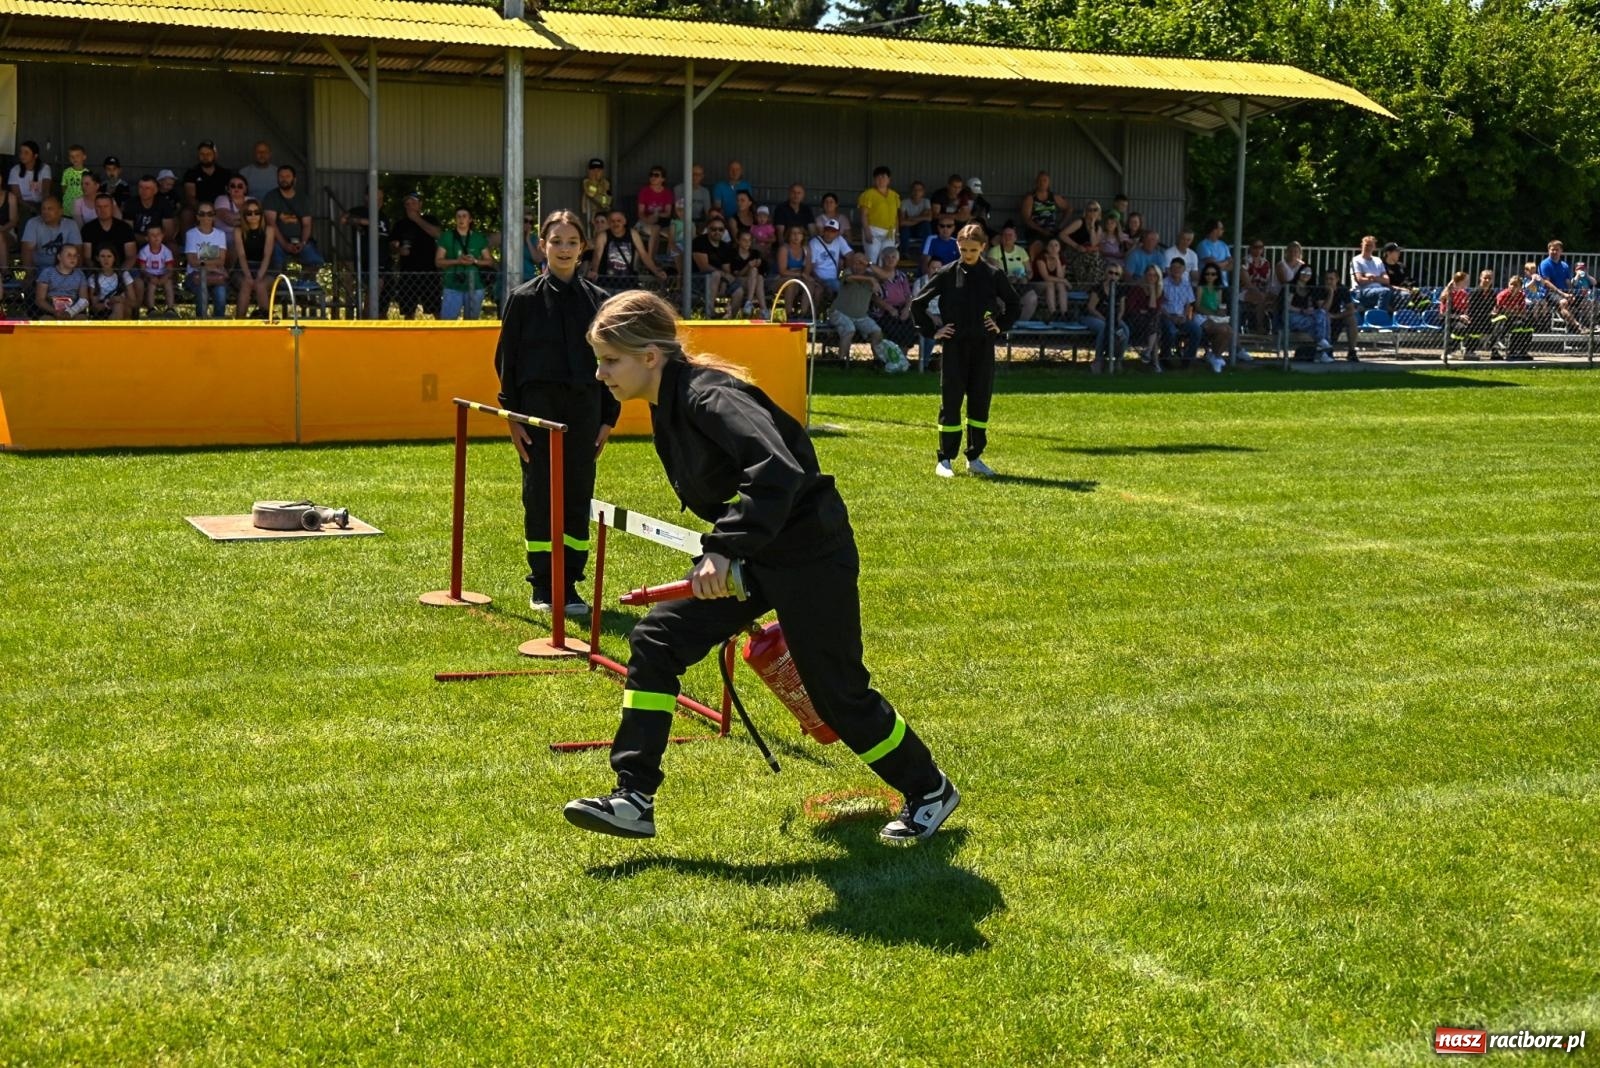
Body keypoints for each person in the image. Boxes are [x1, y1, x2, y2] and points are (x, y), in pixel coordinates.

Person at [568, 289, 960, 844]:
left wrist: (725, 548)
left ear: (650, 356)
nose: (600, 372)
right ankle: (633, 798)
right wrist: (730, 550)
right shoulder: (667, 400)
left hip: (809, 553)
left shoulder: (708, 397)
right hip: (755, 553)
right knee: (657, 641)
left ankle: (929, 789)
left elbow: (776, 471)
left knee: (836, 692)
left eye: (610, 360)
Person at [495, 209, 617, 614]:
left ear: (583, 248)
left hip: (584, 411)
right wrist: (512, 416)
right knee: (541, 494)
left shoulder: (599, 302)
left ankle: (570, 584)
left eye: (571, 242)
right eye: (556, 241)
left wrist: (608, 417)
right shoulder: (523, 299)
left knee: (577, 494)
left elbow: (613, 360)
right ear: (542, 245)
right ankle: (543, 584)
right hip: (537, 412)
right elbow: (506, 363)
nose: (563, 249)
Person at [911, 222, 1022, 479]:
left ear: (983, 247)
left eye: (972, 250)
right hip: (954, 347)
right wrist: (933, 330)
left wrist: (1000, 324)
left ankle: (974, 457)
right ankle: (945, 459)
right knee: (951, 401)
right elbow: (918, 304)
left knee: (980, 401)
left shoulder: (994, 275)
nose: (967, 255)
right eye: (963, 249)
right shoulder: (947, 274)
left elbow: (1014, 303)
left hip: (983, 347)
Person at [827, 250, 888, 362]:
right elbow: (849, 278)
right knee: (849, 329)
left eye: (860, 262)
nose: (857, 265)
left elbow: (886, 275)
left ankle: (878, 361)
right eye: (855, 262)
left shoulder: (871, 275)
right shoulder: (846, 272)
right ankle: (842, 362)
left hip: (861, 317)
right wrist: (871, 280)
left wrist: (869, 264)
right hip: (838, 313)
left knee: (877, 331)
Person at [435, 207, 492, 320]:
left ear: (470, 219)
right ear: (455, 219)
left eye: (464, 216)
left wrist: (474, 261)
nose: (461, 219)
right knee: (447, 324)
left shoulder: (478, 238)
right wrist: (457, 261)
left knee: (471, 326)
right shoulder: (447, 236)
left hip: (475, 286)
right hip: (452, 286)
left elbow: (489, 261)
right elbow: (438, 261)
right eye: (458, 216)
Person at [391, 193, 442, 318]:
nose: (410, 206)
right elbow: (391, 246)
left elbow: (438, 235)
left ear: (420, 205)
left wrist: (417, 219)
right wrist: (398, 250)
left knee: (437, 310)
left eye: (413, 203)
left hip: (429, 272)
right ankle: (409, 337)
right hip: (407, 273)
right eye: (407, 204)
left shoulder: (430, 220)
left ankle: (444, 335)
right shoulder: (400, 225)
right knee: (408, 312)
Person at [262, 164, 322, 272]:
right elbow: (271, 223)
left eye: (287, 176)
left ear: (294, 179)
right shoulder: (270, 197)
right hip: (278, 241)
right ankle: (278, 284)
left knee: (319, 264)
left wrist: (302, 243)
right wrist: (285, 244)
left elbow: (307, 224)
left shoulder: (303, 198)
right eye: (281, 176)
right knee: (277, 263)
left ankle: (313, 287)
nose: (284, 179)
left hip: (300, 241)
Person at [983, 222, 1039, 322]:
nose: (1007, 237)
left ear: (1015, 238)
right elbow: (994, 273)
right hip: (1002, 287)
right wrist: (1008, 277)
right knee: (1002, 302)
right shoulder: (994, 251)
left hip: (1020, 285)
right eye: (1005, 235)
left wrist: (1025, 276)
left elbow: (1030, 271)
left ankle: (1021, 324)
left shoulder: (1021, 251)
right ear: (1001, 237)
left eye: (1010, 235)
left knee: (1032, 298)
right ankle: (1006, 324)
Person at [184, 202, 231, 318]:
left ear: (214, 216)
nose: (206, 217)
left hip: (215, 275)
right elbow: (192, 261)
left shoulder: (220, 234)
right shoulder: (191, 234)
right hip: (196, 275)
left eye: (209, 214)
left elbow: (221, 261)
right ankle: (201, 324)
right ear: (197, 216)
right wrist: (213, 265)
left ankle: (219, 326)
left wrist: (202, 260)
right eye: (202, 214)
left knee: (221, 293)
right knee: (201, 291)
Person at [232, 197, 276, 319]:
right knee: (246, 284)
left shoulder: (269, 230)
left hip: (265, 267)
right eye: (249, 213)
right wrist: (248, 276)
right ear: (244, 215)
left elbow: (267, 255)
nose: (253, 215)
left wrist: (259, 276)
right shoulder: (238, 231)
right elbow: (241, 255)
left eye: (257, 212)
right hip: (243, 267)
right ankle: (240, 321)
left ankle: (266, 318)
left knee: (260, 285)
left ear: (261, 214)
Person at [1158, 258, 1205, 367]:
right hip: (1166, 316)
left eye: (1179, 267)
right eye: (1174, 267)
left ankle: (1187, 359)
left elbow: (1188, 304)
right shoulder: (1163, 283)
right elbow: (1159, 304)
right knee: (1171, 331)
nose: (1176, 270)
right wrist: (1169, 316)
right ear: (1169, 269)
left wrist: (1184, 316)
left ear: (1184, 269)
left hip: (1181, 317)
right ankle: (1165, 357)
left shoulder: (1186, 284)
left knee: (1196, 329)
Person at [1083, 263, 1130, 371]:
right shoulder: (1098, 288)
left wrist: (1117, 319)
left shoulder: (1121, 290)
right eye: (1110, 272)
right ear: (1105, 274)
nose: (1113, 276)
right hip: (1093, 317)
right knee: (1103, 327)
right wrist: (1105, 319)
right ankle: (1098, 360)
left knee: (1125, 330)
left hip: (1113, 317)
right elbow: (1091, 308)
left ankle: (1118, 360)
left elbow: (1122, 309)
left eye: (1116, 274)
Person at [869, 246, 918, 351]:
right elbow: (875, 297)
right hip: (883, 312)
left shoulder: (902, 276)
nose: (890, 260)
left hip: (901, 309)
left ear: (897, 260)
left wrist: (906, 309)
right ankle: (888, 358)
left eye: (893, 257)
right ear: (882, 259)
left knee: (908, 325)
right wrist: (889, 308)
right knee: (892, 327)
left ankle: (902, 359)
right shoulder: (876, 277)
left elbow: (909, 295)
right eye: (887, 257)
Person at [20, 196, 81, 277]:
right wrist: (29, 275)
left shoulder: (71, 224)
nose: (45, 212)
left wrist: (73, 275)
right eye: (43, 209)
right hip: (40, 269)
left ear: (60, 211)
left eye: (50, 209)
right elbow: (27, 250)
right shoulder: (32, 223)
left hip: (66, 268)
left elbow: (78, 250)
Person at [1286, 264, 1334, 360]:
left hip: (1307, 317)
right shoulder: (1291, 286)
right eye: (1304, 272)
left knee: (1323, 315)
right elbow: (1286, 306)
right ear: (1299, 272)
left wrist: (1330, 293)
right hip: (1292, 316)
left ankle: (1323, 350)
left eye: (1309, 273)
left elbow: (1321, 309)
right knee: (1320, 323)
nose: (1306, 274)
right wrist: (1302, 310)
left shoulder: (1311, 289)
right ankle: (1324, 348)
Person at [1193, 262, 1233, 371]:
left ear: (1217, 275)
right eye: (1207, 274)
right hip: (1202, 316)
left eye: (1213, 274)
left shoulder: (1218, 289)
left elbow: (1218, 305)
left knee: (1229, 330)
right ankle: (1216, 357)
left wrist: (1221, 311)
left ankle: (1215, 356)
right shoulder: (1201, 287)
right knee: (1222, 330)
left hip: (1214, 317)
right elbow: (1198, 306)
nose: (1210, 276)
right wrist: (1212, 313)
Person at [857, 165, 899, 266]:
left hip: (890, 232)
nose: (881, 179)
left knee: (887, 258)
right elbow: (863, 214)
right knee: (871, 259)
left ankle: (883, 281)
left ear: (889, 179)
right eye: (878, 177)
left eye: (884, 177)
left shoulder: (894, 195)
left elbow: (896, 216)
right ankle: (871, 280)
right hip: (873, 230)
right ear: (874, 179)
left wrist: (897, 233)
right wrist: (867, 232)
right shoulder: (868, 194)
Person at [1125, 263, 1164, 371]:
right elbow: (1131, 308)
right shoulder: (1137, 288)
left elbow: (1154, 309)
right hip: (1136, 321)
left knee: (1155, 326)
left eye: (1154, 275)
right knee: (1155, 328)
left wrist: (1152, 290)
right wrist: (1145, 311)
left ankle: (1148, 353)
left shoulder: (1159, 291)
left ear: (1158, 277)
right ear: (1145, 275)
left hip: (1150, 322)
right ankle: (1155, 363)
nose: (1151, 278)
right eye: (1149, 275)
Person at [775, 225, 819, 320]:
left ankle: (803, 313)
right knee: (791, 282)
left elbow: (807, 271)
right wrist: (799, 273)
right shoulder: (784, 249)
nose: (796, 236)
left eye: (799, 233)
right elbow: (783, 271)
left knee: (810, 282)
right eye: (793, 233)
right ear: (789, 235)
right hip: (782, 280)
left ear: (803, 236)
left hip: (799, 278)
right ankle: (789, 313)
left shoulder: (806, 250)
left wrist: (799, 273)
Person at [33, 244, 89, 319]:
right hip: (50, 311)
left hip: (73, 311)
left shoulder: (80, 274)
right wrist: (54, 311)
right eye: (69, 255)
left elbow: (84, 299)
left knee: (82, 319)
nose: (73, 258)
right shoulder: (47, 272)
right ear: (59, 257)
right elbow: (40, 299)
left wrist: (70, 312)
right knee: (46, 320)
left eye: (75, 255)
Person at [1019, 170, 1068, 253]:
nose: (1042, 183)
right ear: (1036, 183)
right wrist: (1042, 230)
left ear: (1048, 183)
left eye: (1044, 180)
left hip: (1052, 230)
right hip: (1035, 230)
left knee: (1061, 242)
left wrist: (1061, 225)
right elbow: (1026, 219)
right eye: (1039, 181)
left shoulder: (1053, 196)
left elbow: (1069, 209)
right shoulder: (1030, 198)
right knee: (1037, 245)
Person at [8, 141, 52, 224]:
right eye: (20, 152)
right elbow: (17, 197)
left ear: (35, 155)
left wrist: (43, 207)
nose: (22, 155)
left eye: (26, 153)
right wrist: (30, 207)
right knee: (26, 218)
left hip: (41, 202)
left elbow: (46, 191)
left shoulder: (45, 168)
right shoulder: (15, 170)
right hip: (23, 204)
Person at [87, 245, 136, 319]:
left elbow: (134, 303)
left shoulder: (124, 275)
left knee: (119, 306)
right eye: (102, 256)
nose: (106, 260)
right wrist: (109, 301)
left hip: (124, 308)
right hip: (104, 311)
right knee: (117, 306)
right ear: (97, 258)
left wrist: (121, 300)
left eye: (109, 256)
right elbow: (95, 307)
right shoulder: (93, 278)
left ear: (114, 258)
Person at [635, 165, 674, 259]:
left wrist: (657, 215)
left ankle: (669, 259)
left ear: (663, 179)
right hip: (646, 221)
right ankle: (651, 260)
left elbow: (668, 213)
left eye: (656, 175)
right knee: (655, 228)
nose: (653, 177)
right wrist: (648, 219)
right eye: (651, 175)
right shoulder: (644, 191)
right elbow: (641, 212)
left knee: (675, 231)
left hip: (662, 221)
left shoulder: (667, 193)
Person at [138, 223, 177, 315]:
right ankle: (151, 309)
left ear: (162, 236)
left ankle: (170, 309)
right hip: (149, 275)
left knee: (168, 284)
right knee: (151, 285)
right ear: (147, 238)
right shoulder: (144, 251)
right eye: (152, 235)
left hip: (163, 274)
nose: (156, 237)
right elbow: (142, 269)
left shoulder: (167, 251)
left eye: (158, 234)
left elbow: (170, 269)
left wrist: (165, 277)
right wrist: (150, 277)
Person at [1349, 235, 1394, 314]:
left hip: (1378, 290)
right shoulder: (1356, 260)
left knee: (1399, 295)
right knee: (1385, 292)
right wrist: (1378, 279)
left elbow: (1387, 280)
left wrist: (1372, 277)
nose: (1368, 248)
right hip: (1362, 291)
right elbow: (1360, 280)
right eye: (1366, 245)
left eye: (1371, 246)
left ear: (1374, 247)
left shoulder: (1378, 260)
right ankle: (1379, 316)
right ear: (1361, 245)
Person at [1323, 270, 1361, 362]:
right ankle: (1327, 350)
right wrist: (1331, 293)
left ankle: (1352, 352)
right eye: (1327, 279)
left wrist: (1335, 316)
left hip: (1336, 315)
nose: (1329, 282)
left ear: (1337, 279)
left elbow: (1351, 309)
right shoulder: (1320, 289)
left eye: (1331, 279)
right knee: (1325, 318)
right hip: (1323, 316)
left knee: (1352, 319)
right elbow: (1323, 310)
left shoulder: (1342, 289)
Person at [806, 218, 852, 295]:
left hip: (835, 279)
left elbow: (850, 255)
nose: (829, 233)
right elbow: (811, 267)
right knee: (839, 288)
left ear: (837, 233)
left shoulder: (839, 239)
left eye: (833, 231)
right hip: (819, 279)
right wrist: (819, 281)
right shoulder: (814, 243)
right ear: (823, 230)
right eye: (827, 230)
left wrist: (845, 272)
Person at [1032, 237, 1070, 323]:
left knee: (1060, 285)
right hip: (1037, 284)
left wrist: (1057, 260)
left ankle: (1064, 313)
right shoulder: (1040, 258)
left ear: (1059, 248)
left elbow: (1060, 276)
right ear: (1046, 247)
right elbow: (1046, 277)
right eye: (1051, 245)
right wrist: (1064, 280)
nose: (1053, 248)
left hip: (1053, 285)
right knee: (1050, 283)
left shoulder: (1061, 259)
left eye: (1056, 245)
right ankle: (1053, 313)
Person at [898, 180, 932, 258]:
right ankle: (904, 253)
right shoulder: (904, 202)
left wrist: (911, 218)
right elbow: (902, 222)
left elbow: (929, 218)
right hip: (908, 229)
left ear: (923, 192)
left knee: (926, 225)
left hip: (919, 229)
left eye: (919, 190)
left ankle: (926, 252)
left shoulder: (926, 201)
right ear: (911, 191)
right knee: (904, 228)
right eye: (915, 190)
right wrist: (921, 218)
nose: (917, 192)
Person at [919, 213, 959, 277]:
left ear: (954, 228)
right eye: (942, 226)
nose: (945, 229)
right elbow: (925, 262)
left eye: (949, 226)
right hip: (934, 277)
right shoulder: (931, 239)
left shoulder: (957, 242)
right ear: (938, 227)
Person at [673, 163, 710, 228]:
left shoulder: (705, 192)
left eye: (699, 175)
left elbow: (708, 213)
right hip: (682, 221)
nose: (695, 177)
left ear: (702, 176)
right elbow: (678, 210)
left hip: (699, 221)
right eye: (693, 174)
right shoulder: (679, 189)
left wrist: (706, 225)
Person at [59, 144, 89, 222]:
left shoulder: (87, 173)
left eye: (77, 156)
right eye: (71, 156)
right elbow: (64, 187)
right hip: (67, 207)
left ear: (84, 157)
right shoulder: (66, 172)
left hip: (81, 208)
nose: (74, 158)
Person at [580, 158, 612, 225]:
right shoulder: (586, 182)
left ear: (602, 171)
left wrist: (603, 203)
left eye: (598, 170)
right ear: (589, 171)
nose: (595, 172)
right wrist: (593, 181)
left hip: (602, 211)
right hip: (590, 211)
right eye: (593, 170)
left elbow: (606, 198)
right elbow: (591, 194)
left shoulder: (606, 183)